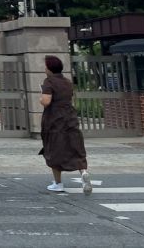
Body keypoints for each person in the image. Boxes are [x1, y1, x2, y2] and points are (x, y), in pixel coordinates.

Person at [39, 55, 92, 194]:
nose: (45, 69)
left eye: (46, 66)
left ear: (49, 68)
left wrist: (41, 98)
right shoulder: (67, 82)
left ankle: (58, 183)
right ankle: (83, 172)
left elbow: (46, 101)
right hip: (70, 117)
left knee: (54, 150)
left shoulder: (49, 82)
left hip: (55, 120)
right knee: (75, 147)